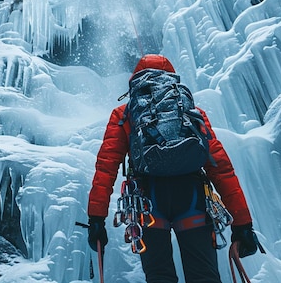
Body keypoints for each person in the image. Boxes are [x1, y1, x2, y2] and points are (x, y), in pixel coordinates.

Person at [87, 54, 260, 283]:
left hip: (148, 203)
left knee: (159, 276)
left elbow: (105, 168)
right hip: (192, 198)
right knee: (203, 276)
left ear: (135, 81)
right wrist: (242, 222)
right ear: (172, 79)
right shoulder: (190, 113)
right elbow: (220, 167)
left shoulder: (124, 114)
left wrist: (96, 219)